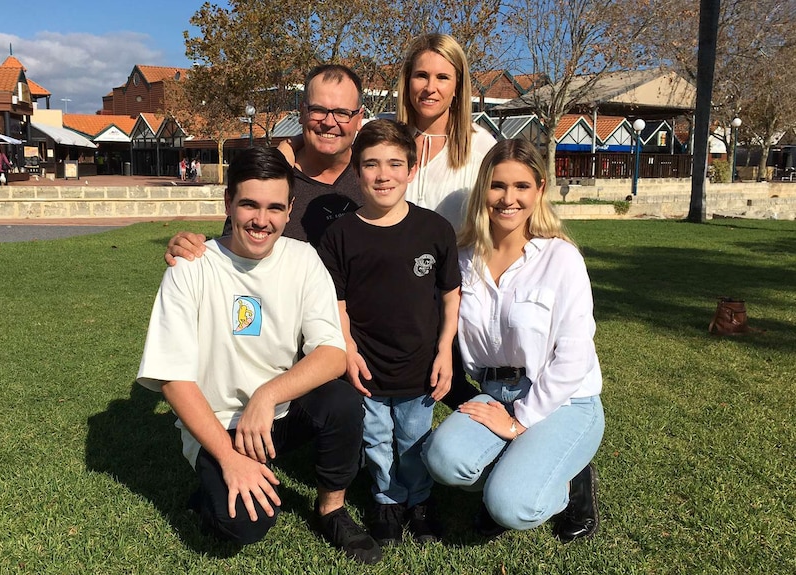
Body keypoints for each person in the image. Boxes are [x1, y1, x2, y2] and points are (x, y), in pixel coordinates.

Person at [137, 147, 382, 564]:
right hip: (219, 426)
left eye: (273, 207)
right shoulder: (190, 267)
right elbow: (172, 377)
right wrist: (229, 459)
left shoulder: (303, 260)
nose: (260, 220)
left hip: (275, 416)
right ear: (228, 203)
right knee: (245, 526)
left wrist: (266, 396)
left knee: (342, 401)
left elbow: (332, 353)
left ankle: (332, 508)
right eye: (248, 204)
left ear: (289, 210)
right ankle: (211, 486)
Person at [421, 139, 605, 543]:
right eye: (497, 186)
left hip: (563, 400)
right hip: (493, 392)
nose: (508, 198)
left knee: (511, 506)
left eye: (521, 186)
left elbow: (574, 357)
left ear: (539, 190)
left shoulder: (561, 259)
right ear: (482, 190)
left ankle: (569, 482)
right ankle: (519, 467)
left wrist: (521, 419)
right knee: (444, 461)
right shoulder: (463, 258)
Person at [318, 119, 461, 546]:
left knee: (415, 437)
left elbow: (451, 295)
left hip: (420, 365)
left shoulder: (435, 229)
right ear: (357, 171)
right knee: (377, 438)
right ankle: (386, 499)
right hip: (367, 366)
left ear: (412, 169)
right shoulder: (340, 234)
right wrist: (347, 349)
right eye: (372, 164)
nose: (384, 175)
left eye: (395, 164)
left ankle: (419, 500)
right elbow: (336, 303)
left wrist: (444, 351)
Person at [164, 64, 365, 262]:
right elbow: (231, 255)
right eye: (318, 110)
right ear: (302, 112)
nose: (329, 122)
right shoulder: (269, 177)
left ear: (359, 118)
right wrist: (190, 248)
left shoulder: (380, 178)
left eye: (342, 113)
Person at [396, 33, 497, 231]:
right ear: (408, 81)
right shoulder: (383, 139)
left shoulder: (482, 147)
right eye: (421, 75)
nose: (430, 88)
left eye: (442, 77)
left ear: (457, 87)